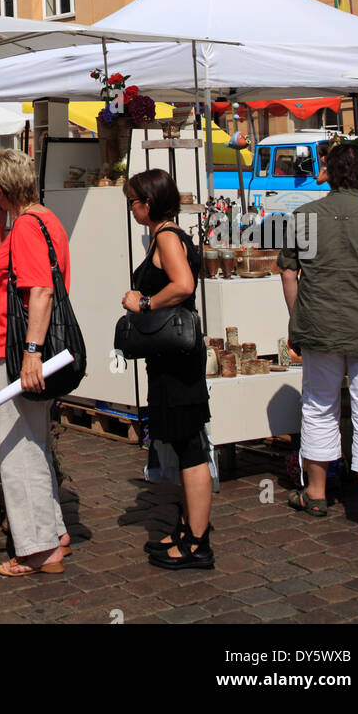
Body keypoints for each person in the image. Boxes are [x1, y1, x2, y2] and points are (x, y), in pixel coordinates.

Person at [279, 140, 358, 533]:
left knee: (318, 405)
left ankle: (315, 493)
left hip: (320, 327)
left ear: (329, 171)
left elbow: (287, 272)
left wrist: (297, 320)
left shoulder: (304, 217)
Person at [0, 147, 71, 577]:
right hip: (25, 347)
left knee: (17, 448)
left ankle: (38, 548)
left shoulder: (29, 228)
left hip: (20, 348)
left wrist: (31, 354)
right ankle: (52, 531)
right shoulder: (41, 220)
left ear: (0, 190)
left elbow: (40, 290)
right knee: (34, 441)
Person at [123, 168, 214, 570]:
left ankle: (197, 541)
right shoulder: (168, 232)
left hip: (177, 358)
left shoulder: (165, 235)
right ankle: (188, 527)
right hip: (172, 355)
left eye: (134, 201)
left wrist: (143, 303)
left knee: (189, 445)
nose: (131, 207)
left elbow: (183, 285)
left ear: (150, 202)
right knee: (182, 441)